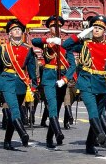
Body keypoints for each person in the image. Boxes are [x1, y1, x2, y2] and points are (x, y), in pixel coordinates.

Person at [60, 15, 106, 155]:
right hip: (86, 82)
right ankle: (100, 134)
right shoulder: (84, 44)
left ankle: (89, 145)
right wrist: (81, 35)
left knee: (99, 114)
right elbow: (65, 46)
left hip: (102, 84)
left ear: (104, 31)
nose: (96, 30)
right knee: (92, 111)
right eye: (94, 28)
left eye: (99, 28)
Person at [0, 19, 37, 150]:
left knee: (14, 112)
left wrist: (34, 85)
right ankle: (23, 133)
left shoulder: (28, 49)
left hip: (21, 82)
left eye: (19, 29)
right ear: (10, 34)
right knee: (14, 108)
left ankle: (7, 141)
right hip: (6, 80)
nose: (17, 31)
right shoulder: (3, 48)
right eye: (14, 30)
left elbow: (31, 67)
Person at [32, 15, 75, 149]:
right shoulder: (46, 43)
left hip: (61, 78)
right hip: (49, 77)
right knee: (52, 105)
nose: (55, 29)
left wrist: (65, 79)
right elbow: (34, 41)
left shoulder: (66, 45)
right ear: (49, 28)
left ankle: (49, 137)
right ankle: (58, 133)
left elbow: (72, 65)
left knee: (57, 107)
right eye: (52, 26)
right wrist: (49, 40)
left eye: (58, 26)